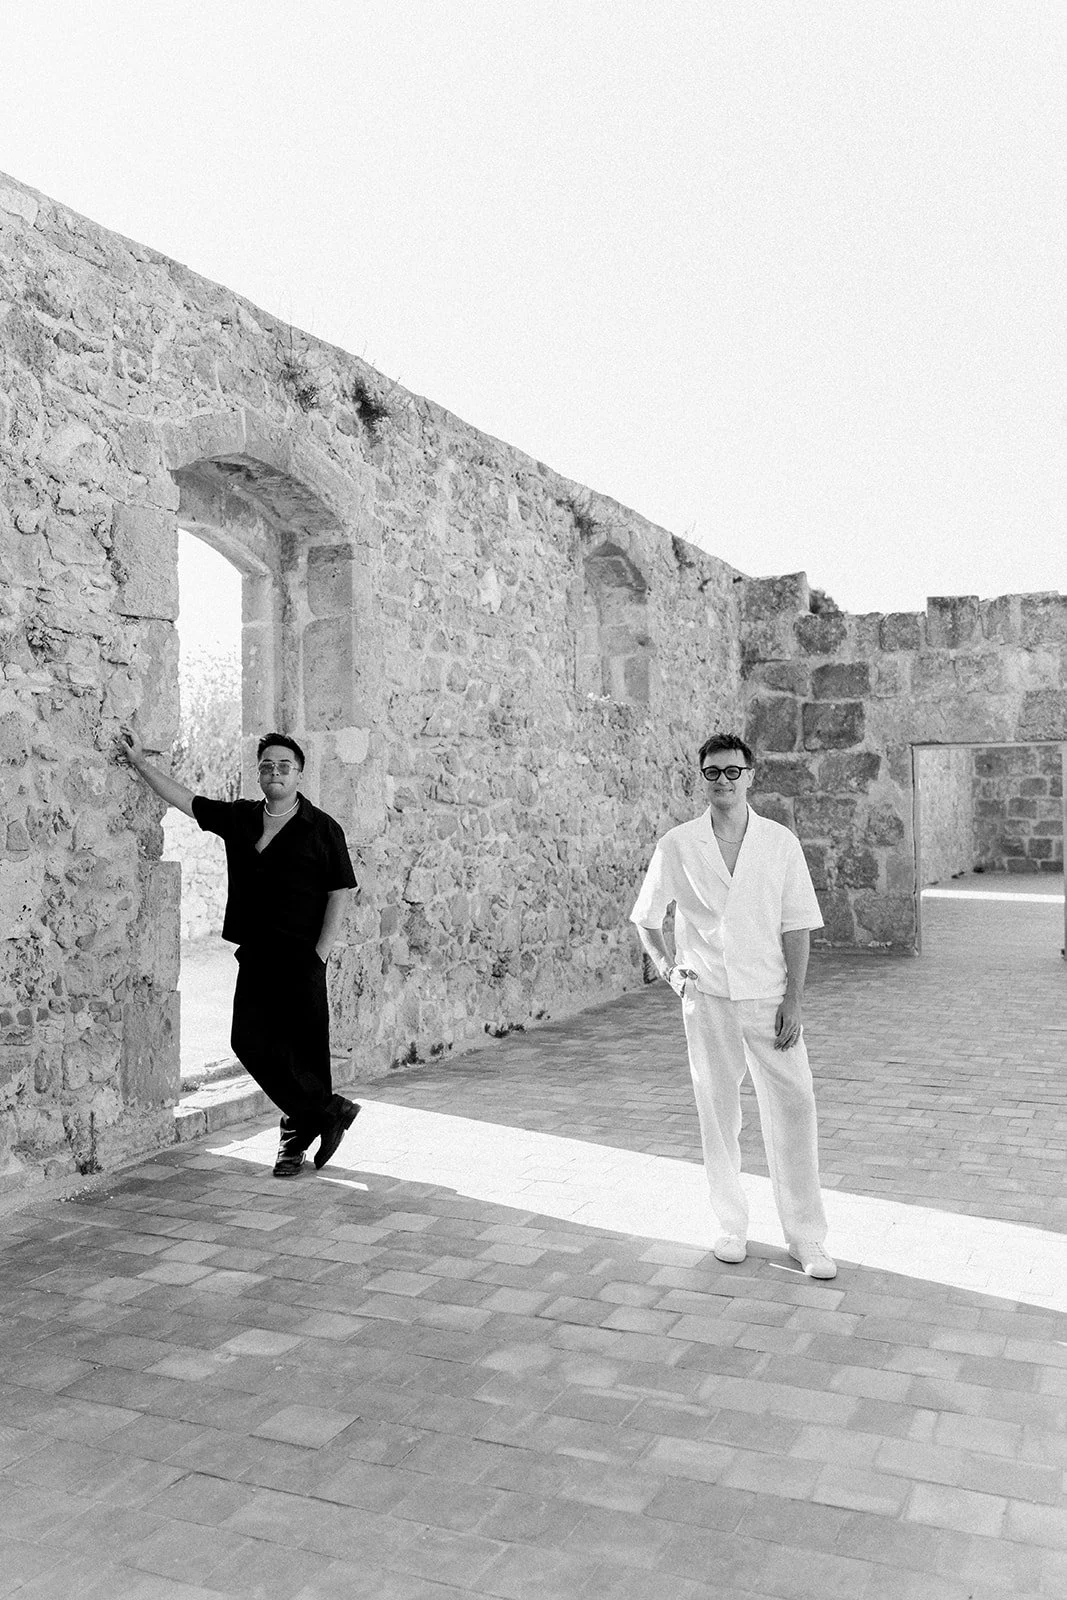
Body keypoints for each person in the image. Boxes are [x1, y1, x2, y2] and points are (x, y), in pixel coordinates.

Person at [630, 733, 836, 1279]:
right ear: (703, 779)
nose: (723, 780)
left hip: (769, 998)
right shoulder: (678, 844)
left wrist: (794, 999)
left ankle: (807, 1238)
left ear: (750, 776)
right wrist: (669, 970)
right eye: (713, 772)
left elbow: (797, 924)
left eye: (732, 771)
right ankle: (731, 1225)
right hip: (709, 998)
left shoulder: (779, 843)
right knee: (718, 1113)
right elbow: (647, 918)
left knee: (796, 1107)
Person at [119, 727, 360, 1179]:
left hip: (303, 958)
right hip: (257, 954)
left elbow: (339, 892)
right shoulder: (241, 818)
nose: (275, 772)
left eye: (284, 765)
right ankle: (327, 1111)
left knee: (304, 1051)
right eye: (267, 765)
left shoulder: (323, 828)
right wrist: (139, 763)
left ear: (299, 773)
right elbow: (186, 800)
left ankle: (296, 1137)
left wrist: (321, 954)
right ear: (259, 774)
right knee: (247, 1042)